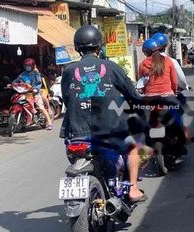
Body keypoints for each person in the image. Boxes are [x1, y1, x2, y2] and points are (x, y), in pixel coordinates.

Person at [60, 25, 148, 203]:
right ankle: (132, 188)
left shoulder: (69, 70)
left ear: (77, 48)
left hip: (76, 134)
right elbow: (131, 93)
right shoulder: (110, 67)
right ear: (99, 46)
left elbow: (67, 98)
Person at [34, 65, 54, 130]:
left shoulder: (41, 76)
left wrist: (49, 93)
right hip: (32, 91)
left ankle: (48, 109)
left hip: (42, 89)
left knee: (41, 101)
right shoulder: (27, 75)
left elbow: (46, 85)